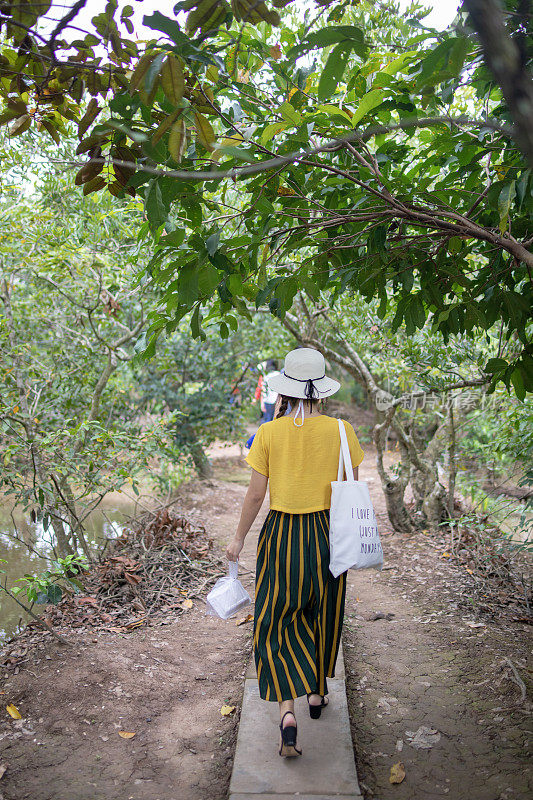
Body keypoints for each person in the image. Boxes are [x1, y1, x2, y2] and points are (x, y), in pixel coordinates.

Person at [226, 347, 364, 758]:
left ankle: (287, 712)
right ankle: (317, 694)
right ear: (321, 391)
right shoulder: (343, 431)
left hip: (282, 535)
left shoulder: (268, 433)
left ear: (284, 390)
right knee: (324, 612)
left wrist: (237, 540)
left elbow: (255, 496)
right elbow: (349, 486)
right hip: (328, 535)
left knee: (277, 617)